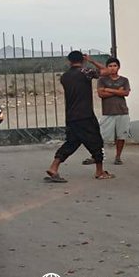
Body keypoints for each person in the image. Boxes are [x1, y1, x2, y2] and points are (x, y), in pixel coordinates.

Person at [45, 51, 114, 182]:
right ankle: (99, 172)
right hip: (85, 115)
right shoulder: (85, 71)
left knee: (72, 142)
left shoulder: (64, 76)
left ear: (69, 61)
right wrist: (91, 61)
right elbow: (106, 71)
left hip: (71, 116)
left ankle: (54, 167)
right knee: (96, 141)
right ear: (82, 60)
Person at [85, 57, 131, 165]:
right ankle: (98, 155)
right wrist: (117, 91)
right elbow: (101, 94)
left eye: (114, 66)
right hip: (108, 112)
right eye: (110, 66)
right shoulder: (102, 80)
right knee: (102, 136)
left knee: (121, 136)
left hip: (122, 111)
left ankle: (118, 157)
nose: (112, 68)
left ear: (118, 67)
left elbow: (126, 93)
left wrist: (108, 89)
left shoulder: (124, 80)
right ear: (107, 67)